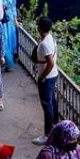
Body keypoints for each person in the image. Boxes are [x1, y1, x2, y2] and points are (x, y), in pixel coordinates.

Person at [32, 15, 59, 145]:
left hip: (47, 77)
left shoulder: (44, 44)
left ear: (39, 28)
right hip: (53, 75)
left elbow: (50, 63)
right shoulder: (50, 38)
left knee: (46, 104)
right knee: (52, 101)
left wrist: (42, 76)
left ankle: (47, 134)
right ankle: (55, 126)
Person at [0, 0, 18, 72]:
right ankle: (5, 58)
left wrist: (15, 20)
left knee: (11, 38)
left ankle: (11, 57)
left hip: (10, 21)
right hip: (3, 21)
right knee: (5, 38)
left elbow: (14, 9)